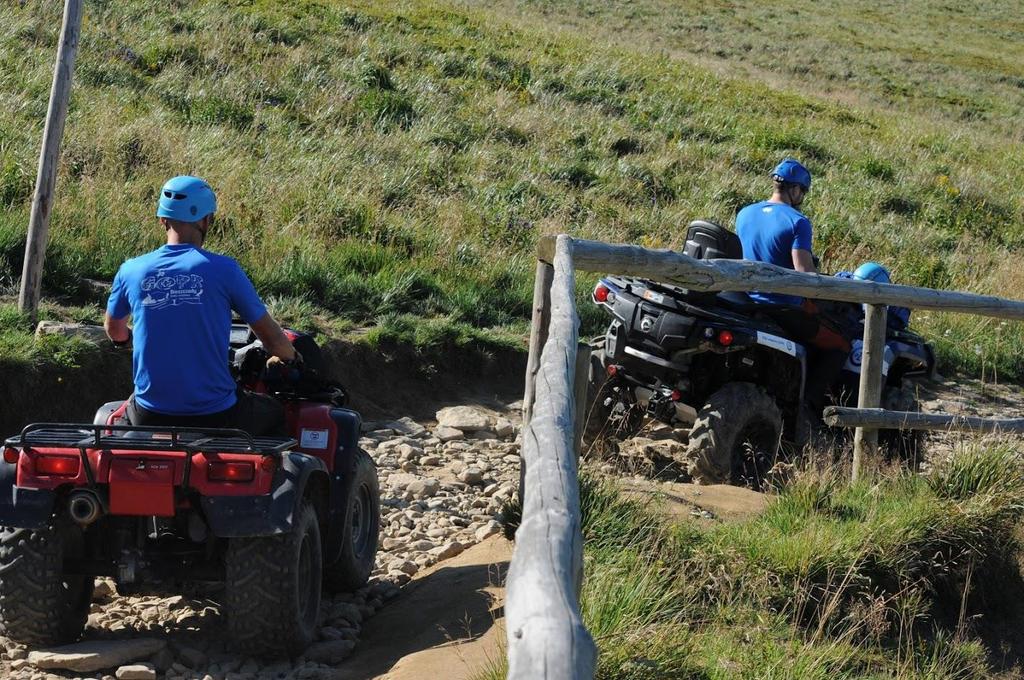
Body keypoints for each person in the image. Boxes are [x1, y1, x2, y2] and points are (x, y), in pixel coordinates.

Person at [104, 175, 299, 435]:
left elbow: (114, 330)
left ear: (162, 219)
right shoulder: (224, 270)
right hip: (216, 415)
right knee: (275, 413)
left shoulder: (131, 270)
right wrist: (293, 360)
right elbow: (272, 338)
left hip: (149, 414)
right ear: (206, 220)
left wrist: (128, 340)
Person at [736, 159, 855, 428]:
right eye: (803, 192)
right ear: (796, 190)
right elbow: (804, 274)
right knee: (840, 344)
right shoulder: (798, 222)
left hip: (744, 301)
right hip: (782, 306)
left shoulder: (745, 212)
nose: (802, 197)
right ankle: (808, 410)